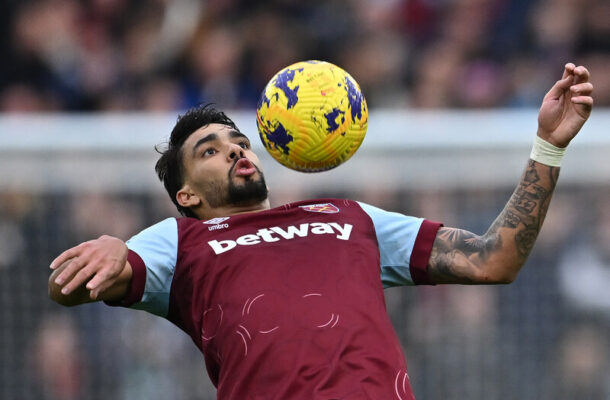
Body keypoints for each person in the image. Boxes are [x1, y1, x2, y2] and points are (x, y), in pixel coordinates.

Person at [49, 63, 593, 399]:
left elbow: (494, 259)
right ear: (186, 195)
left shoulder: (349, 217)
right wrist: (113, 249)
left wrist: (549, 145)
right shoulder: (179, 241)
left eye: (235, 139)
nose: (234, 148)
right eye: (208, 151)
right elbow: (66, 289)